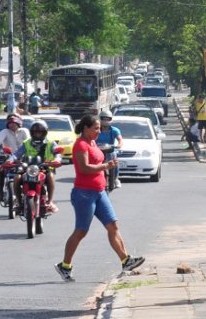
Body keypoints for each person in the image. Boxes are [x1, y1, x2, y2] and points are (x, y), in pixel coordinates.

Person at [55, 114, 144, 282]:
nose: (98, 131)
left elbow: (97, 155)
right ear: (86, 128)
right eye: (95, 128)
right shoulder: (80, 145)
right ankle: (65, 265)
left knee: (113, 225)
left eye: (99, 128)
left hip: (99, 192)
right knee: (81, 231)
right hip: (84, 193)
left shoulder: (92, 142)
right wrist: (106, 166)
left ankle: (126, 260)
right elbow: (84, 168)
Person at [13, 119, 60, 213]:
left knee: (50, 176)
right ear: (31, 133)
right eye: (35, 132)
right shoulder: (26, 143)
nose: (38, 134)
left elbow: (57, 153)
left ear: (45, 132)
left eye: (40, 132)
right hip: (28, 168)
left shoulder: (51, 143)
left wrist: (57, 160)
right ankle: (18, 203)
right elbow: (17, 154)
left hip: (45, 168)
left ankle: (49, 202)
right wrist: (11, 160)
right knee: (17, 178)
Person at [0, 114, 30, 202]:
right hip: (9, 157)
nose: (12, 124)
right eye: (10, 122)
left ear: (19, 123)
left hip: (24, 158)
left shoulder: (24, 131)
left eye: (14, 122)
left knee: (31, 172)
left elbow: (29, 143)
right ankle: (1, 191)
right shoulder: (4, 132)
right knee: (1, 171)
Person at [95, 109, 123, 190]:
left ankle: (115, 179)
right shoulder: (96, 128)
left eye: (108, 119)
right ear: (100, 118)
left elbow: (120, 139)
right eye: (104, 118)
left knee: (115, 161)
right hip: (97, 150)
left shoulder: (114, 130)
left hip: (110, 150)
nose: (106, 121)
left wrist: (119, 145)